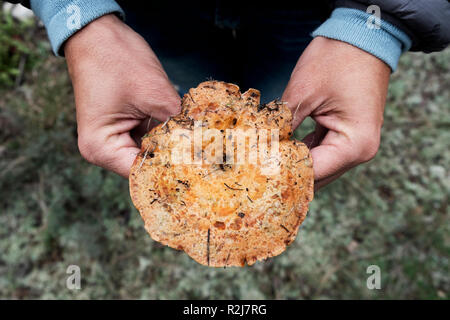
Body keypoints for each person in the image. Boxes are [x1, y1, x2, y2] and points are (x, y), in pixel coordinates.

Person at [8, 1, 450, 189]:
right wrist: (78, 11)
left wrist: (374, 26)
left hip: (309, 13)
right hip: (150, 11)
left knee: (279, 92)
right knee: (178, 89)